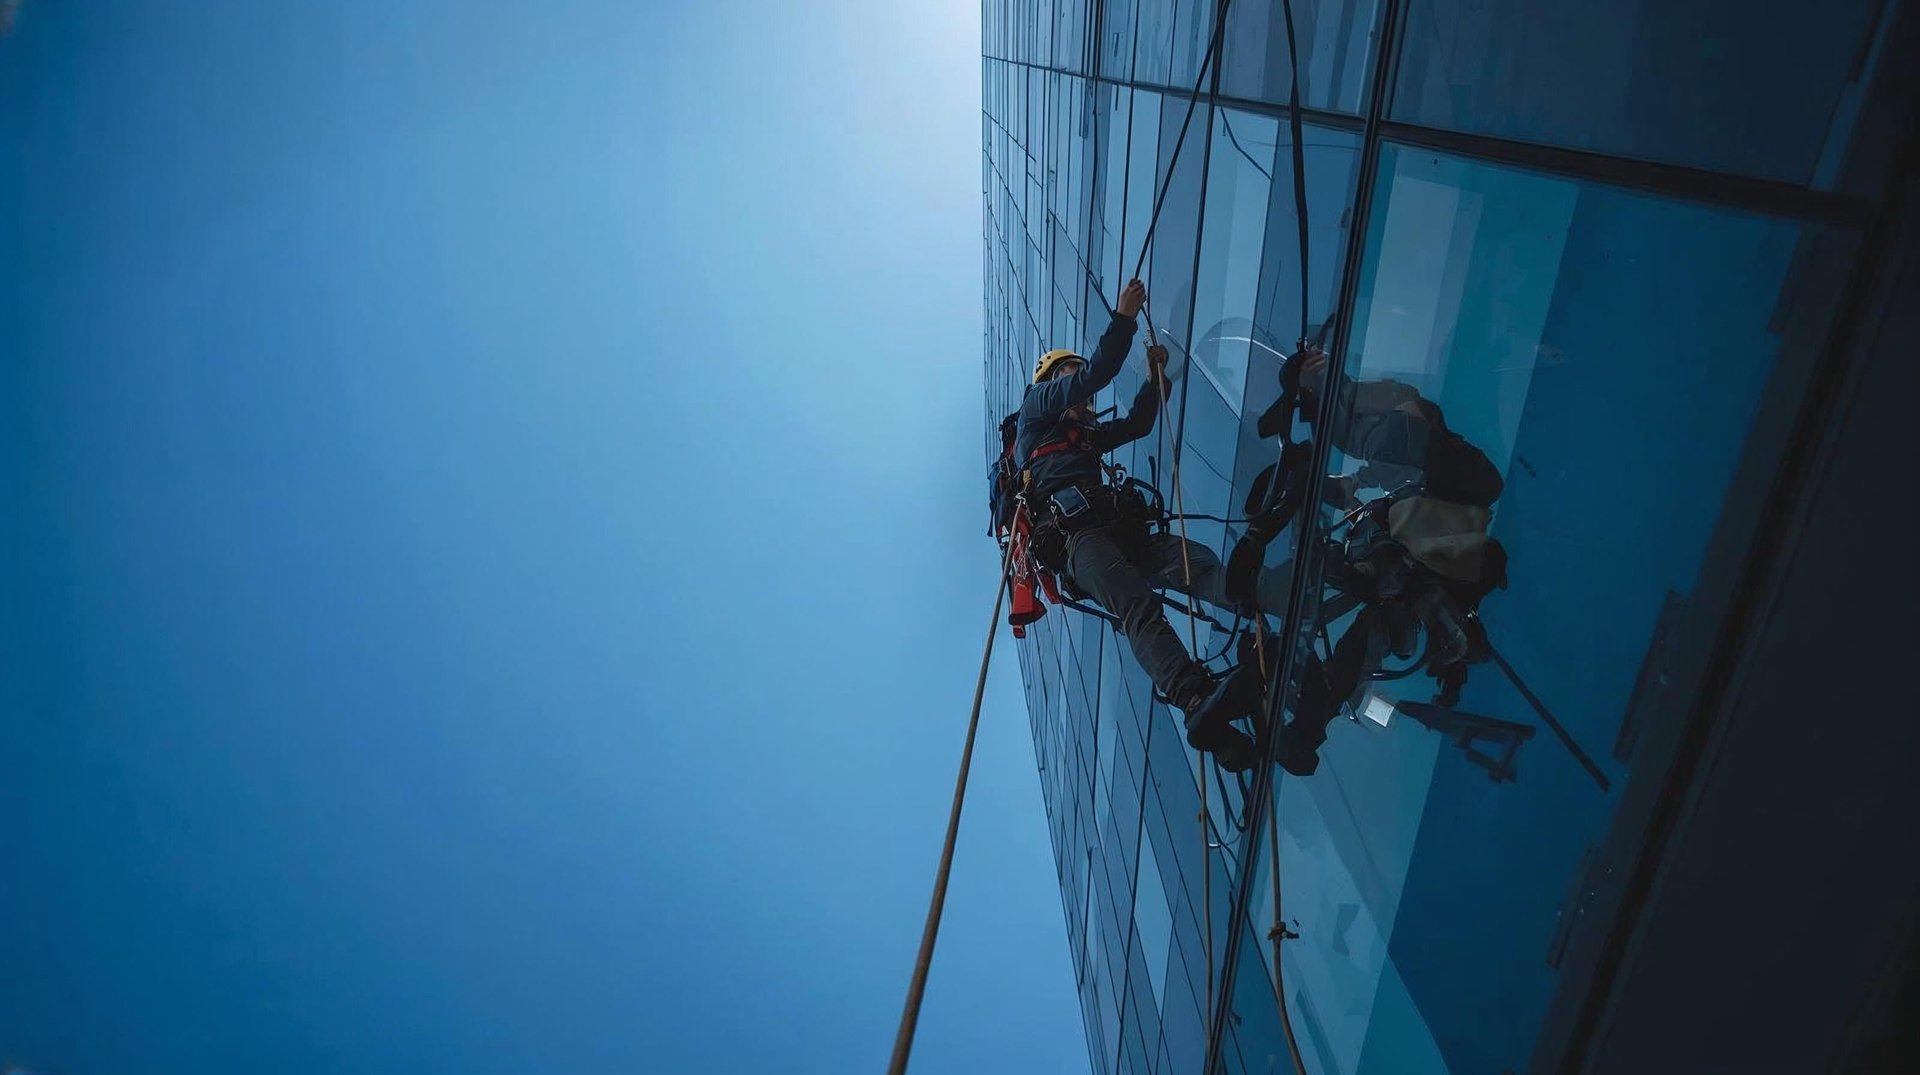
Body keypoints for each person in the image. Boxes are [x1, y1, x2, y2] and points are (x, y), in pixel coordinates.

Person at [1016, 279, 1272, 770]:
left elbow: (1136, 425)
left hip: (1119, 533)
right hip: (1079, 541)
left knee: (1193, 563)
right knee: (1137, 604)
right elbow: (1092, 376)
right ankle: (1195, 700)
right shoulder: (1036, 408)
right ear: (1051, 380)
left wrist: (1156, 384)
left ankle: (1259, 597)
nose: (1087, 404)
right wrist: (1125, 320)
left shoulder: (1081, 437)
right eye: (1070, 378)